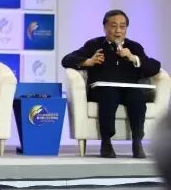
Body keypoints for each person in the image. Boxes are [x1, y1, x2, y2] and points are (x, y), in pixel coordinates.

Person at [61, 9, 161, 159]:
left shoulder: (134, 47)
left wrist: (133, 58)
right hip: (102, 90)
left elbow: (154, 67)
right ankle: (106, 142)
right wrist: (88, 61)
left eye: (122, 26)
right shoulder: (94, 45)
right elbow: (66, 60)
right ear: (105, 27)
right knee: (109, 96)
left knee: (137, 98)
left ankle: (137, 142)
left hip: (128, 90)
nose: (118, 31)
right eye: (113, 26)